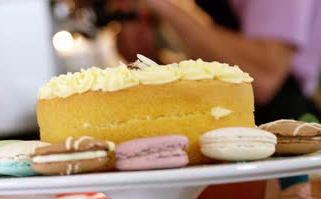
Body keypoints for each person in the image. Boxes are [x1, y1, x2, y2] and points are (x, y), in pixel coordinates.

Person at [113, 0, 321, 124]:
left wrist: (164, 7)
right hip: (226, 118)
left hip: (283, 122)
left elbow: (264, 77)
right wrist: (150, 56)